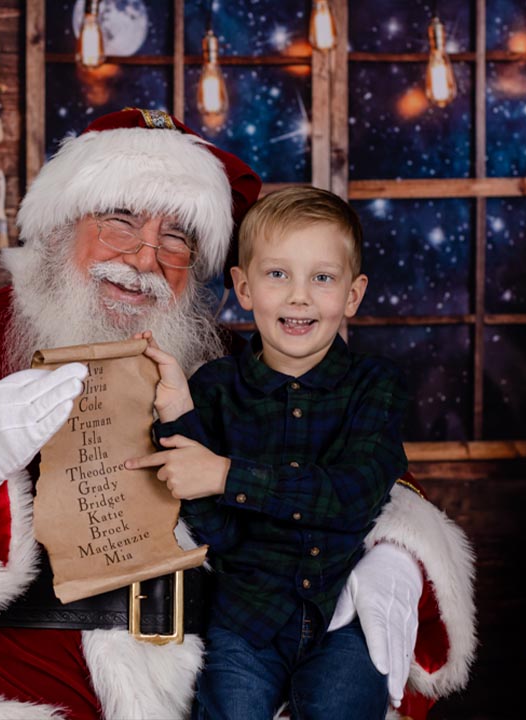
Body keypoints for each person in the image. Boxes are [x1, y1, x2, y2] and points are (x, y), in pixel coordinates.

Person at [0, 108, 475, 720]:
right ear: (66, 225)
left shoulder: (236, 364)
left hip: (212, 680)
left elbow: (364, 470)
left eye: (177, 238)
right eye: (120, 219)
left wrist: (391, 553)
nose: (144, 259)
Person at [126, 187, 410, 719]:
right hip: (245, 618)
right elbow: (216, 528)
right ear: (243, 286)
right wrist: (178, 416)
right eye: (277, 274)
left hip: (341, 613)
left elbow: (349, 496)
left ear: (352, 294)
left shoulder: (377, 386)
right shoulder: (214, 387)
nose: (299, 297)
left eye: (322, 278)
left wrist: (229, 475)